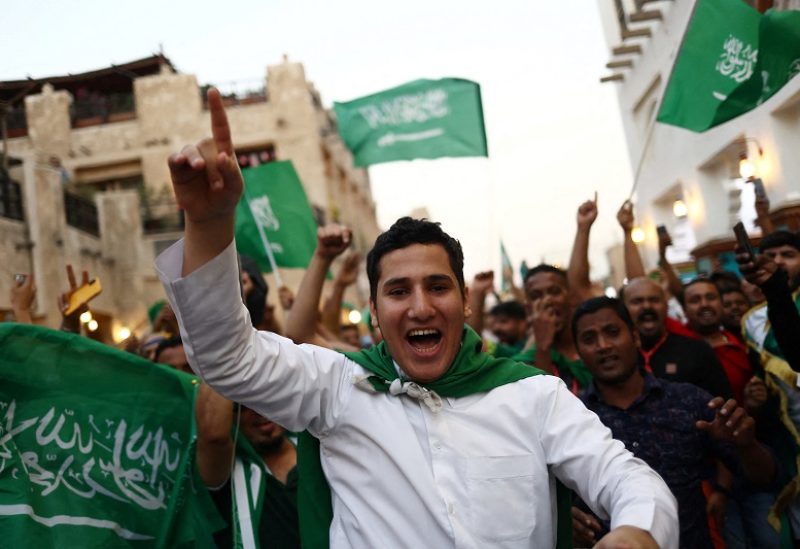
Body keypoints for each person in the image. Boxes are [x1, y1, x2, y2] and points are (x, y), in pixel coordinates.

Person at [156, 88, 678, 548]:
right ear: (377, 315)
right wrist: (209, 224)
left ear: (465, 302)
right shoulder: (339, 389)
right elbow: (228, 360)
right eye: (399, 291)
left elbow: (622, 475)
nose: (422, 307)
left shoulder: (533, 395)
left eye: (437, 286)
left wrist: (637, 530)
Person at [571, 296, 777, 549]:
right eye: (589, 339)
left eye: (612, 332)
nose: (603, 346)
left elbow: (764, 478)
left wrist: (746, 445)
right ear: (578, 352)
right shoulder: (573, 418)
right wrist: (564, 517)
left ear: (635, 338)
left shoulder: (688, 401)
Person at [196, 384, 300, 549]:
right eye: (244, 404)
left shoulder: (318, 452)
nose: (259, 410)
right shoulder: (224, 471)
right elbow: (213, 434)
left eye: (268, 397)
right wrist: (221, 359)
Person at [622, 277, 732, 399]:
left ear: (666, 306)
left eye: (654, 300)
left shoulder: (697, 351)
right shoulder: (617, 357)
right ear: (623, 308)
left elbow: (722, 403)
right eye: (637, 301)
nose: (647, 306)